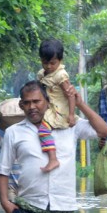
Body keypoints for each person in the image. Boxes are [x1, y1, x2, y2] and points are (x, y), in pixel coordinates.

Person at [0, 81, 107, 213]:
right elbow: (2, 171)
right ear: (21, 106)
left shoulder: (69, 123)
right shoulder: (13, 132)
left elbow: (104, 131)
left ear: (48, 101)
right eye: (27, 103)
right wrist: (5, 203)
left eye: (37, 101)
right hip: (30, 205)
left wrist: (79, 104)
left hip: (63, 206)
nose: (32, 107)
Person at [36, 39, 77, 173]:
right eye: (45, 62)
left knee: (43, 131)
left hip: (59, 111)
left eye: (52, 63)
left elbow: (71, 95)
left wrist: (71, 114)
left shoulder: (60, 75)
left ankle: (53, 159)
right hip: (49, 107)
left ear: (60, 60)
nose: (48, 66)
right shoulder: (42, 74)